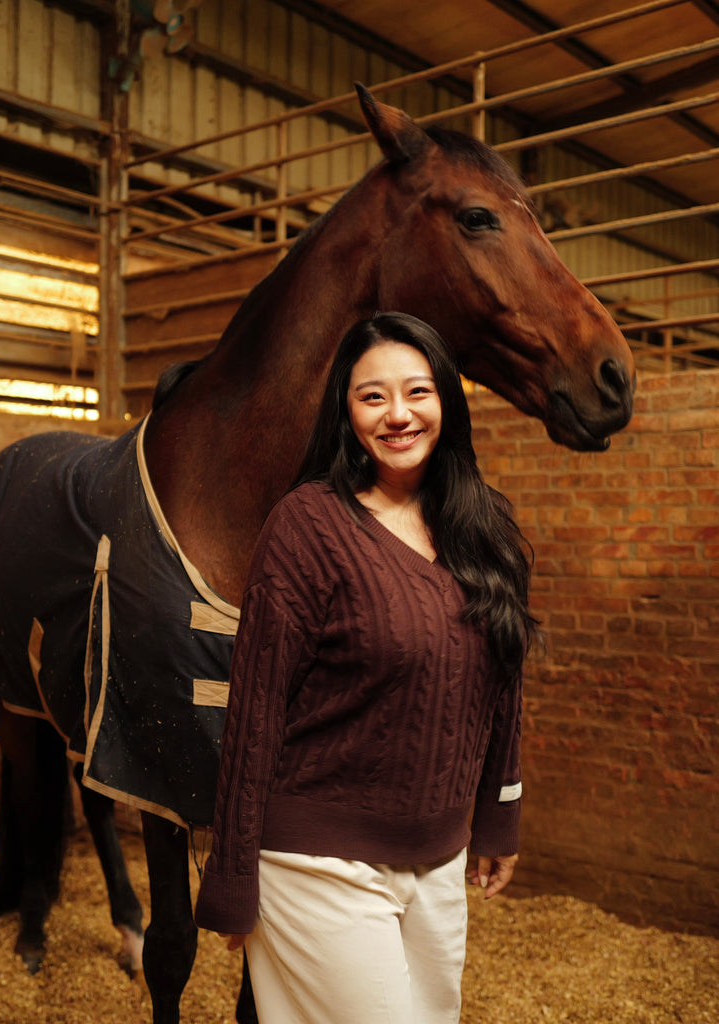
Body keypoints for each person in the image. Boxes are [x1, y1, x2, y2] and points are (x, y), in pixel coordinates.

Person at [194, 312, 537, 1024]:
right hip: (317, 861)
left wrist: (498, 815)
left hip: (439, 857)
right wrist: (231, 874)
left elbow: (501, 682)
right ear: (346, 415)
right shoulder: (307, 526)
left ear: (446, 400)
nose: (398, 414)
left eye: (416, 391)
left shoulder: (483, 526)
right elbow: (254, 709)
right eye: (371, 397)